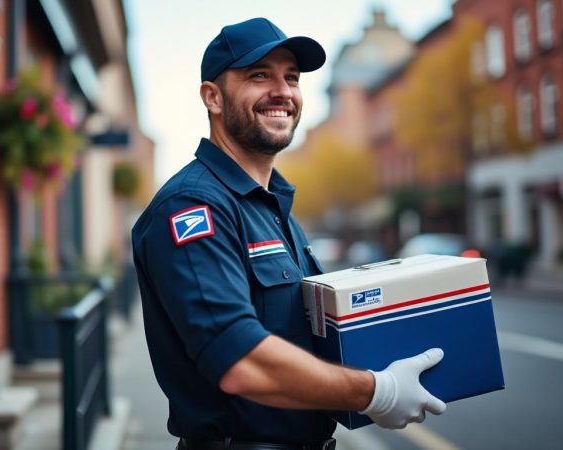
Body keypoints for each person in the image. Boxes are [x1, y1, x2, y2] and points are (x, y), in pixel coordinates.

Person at [132, 17, 446, 450]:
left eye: (292, 78)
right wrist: (377, 391)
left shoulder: (272, 206)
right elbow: (239, 359)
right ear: (213, 97)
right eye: (259, 75)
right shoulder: (194, 206)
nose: (283, 91)